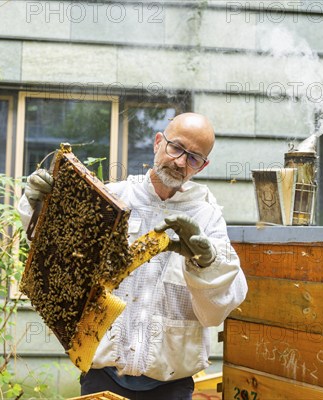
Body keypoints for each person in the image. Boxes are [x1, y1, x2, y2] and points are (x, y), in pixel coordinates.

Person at [19, 113, 247, 399]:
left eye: (193, 158)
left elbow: (221, 306)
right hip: (102, 376)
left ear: (202, 166)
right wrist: (39, 205)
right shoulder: (112, 198)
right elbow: (57, 253)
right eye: (176, 148)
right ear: (158, 142)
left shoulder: (208, 217)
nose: (179, 162)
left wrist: (207, 260)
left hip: (171, 386)